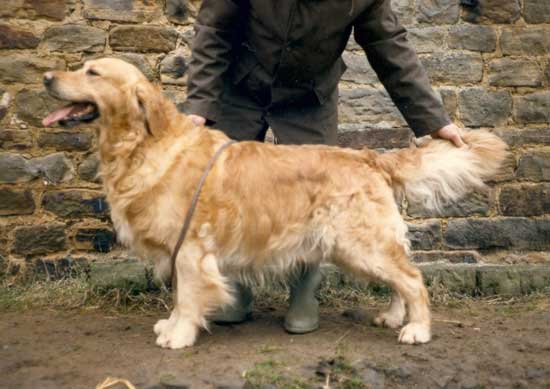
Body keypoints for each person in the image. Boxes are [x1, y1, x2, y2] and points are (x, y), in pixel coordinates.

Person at [183, 0, 465, 334]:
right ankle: (234, 293)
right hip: (240, 86)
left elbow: (388, 45)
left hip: (310, 96)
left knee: (316, 197)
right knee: (229, 193)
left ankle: (304, 295)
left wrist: (434, 121)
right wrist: (199, 106)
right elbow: (213, 29)